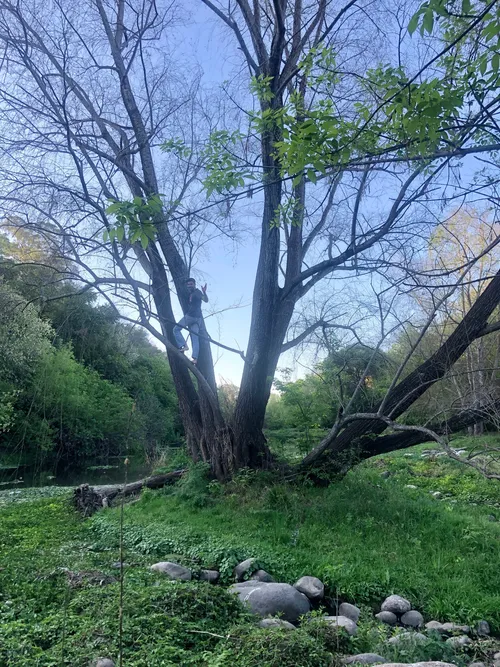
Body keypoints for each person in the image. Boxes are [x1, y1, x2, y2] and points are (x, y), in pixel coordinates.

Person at [173, 278, 208, 364]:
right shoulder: (191, 293)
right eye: (188, 285)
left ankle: (183, 345)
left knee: (176, 329)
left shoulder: (197, 292)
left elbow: (205, 300)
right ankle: (195, 359)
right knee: (195, 338)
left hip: (191, 316)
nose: (189, 286)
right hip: (198, 319)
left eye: (191, 284)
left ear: (194, 284)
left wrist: (204, 292)